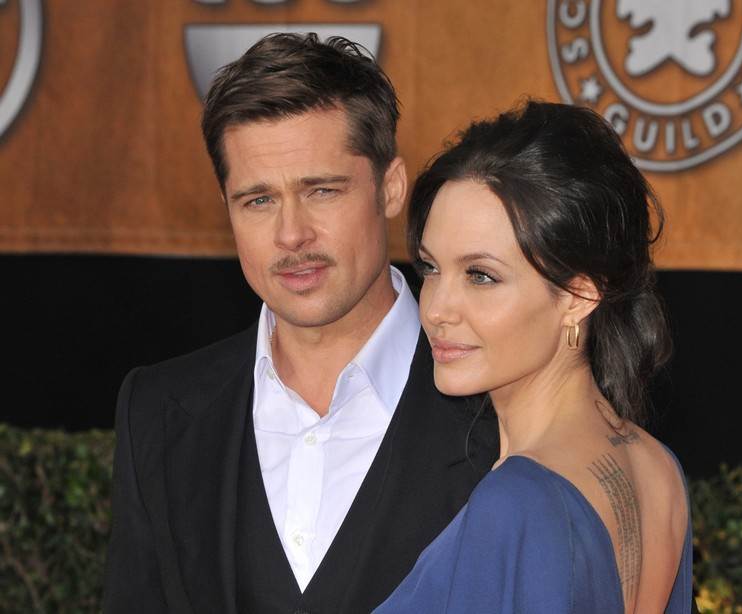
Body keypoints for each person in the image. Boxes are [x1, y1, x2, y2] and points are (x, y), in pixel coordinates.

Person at [102, 33, 498, 613]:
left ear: (390, 188)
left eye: (322, 190)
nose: (291, 234)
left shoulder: (502, 403)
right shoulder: (158, 411)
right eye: (258, 200)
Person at [375, 101, 693, 613]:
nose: (435, 309)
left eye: (481, 276)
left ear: (578, 297)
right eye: (431, 268)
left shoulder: (516, 503)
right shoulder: (658, 467)